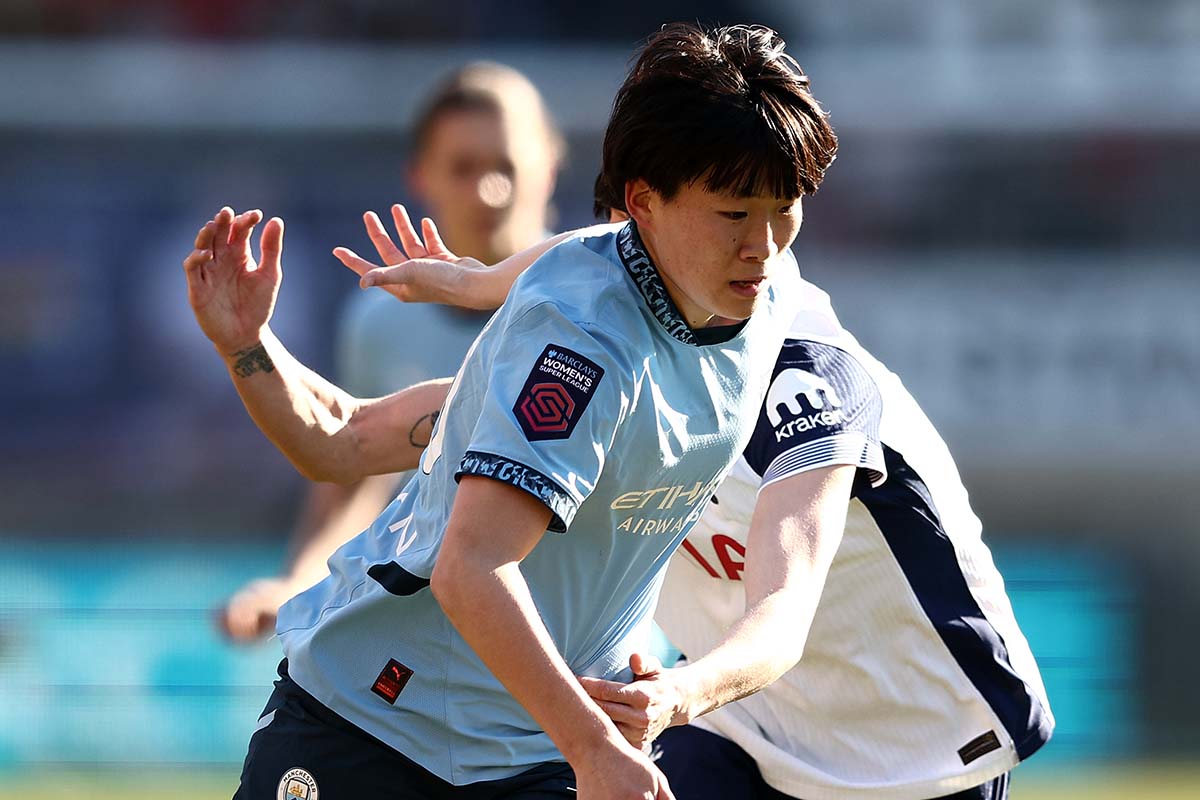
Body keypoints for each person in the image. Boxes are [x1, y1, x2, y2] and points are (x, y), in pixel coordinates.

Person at [183, 23, 838, 799]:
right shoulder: (577, 343)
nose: (764, 244)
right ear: (644, 203)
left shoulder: (768, 293)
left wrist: (476, 282)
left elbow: (590, 250)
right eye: (734, 214)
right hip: (377, 724)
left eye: (784, 207)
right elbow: (467, 564)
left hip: (548, 740)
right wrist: (246, 347)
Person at [336, 134, 1054, 800]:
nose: (757, 241)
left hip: (918, 740)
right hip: (731, 722)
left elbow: (780, 620)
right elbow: (352, 437)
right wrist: (476, 284)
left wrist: (679, 694)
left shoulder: (802, 379)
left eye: (772, 211)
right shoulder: (602, 352)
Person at [217, 62, 565, 641]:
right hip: (435, 644)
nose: (490, 190)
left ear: (549, 165)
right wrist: (298, 583)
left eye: (506, 165)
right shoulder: (379, 321)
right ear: (419, 176)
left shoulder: (593, 306)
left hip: (577, 642)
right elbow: (355, 464)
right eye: (463, 167)